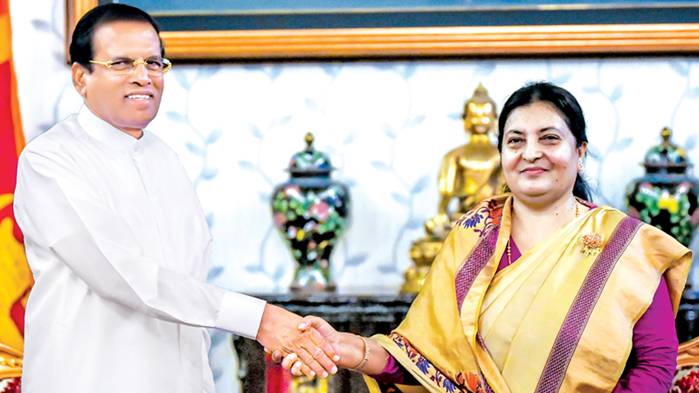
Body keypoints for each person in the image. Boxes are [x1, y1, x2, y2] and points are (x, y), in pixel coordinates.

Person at [278, 82, 692, 393]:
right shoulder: (472, 237)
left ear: (580, 153)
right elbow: (423, 361)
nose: (530, 152)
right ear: (502, 155)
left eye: (549, 138)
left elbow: (654, 367)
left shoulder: (625, 246)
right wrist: (349, 348)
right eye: (516, 141)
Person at [13, 4, 336, 392]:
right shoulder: (50, 160)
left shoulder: (163, 158)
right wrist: (260, 320)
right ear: (82, 77)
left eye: (153, 62)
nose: (142, 77)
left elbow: (187, 284)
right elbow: (123, 275)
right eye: (121, 63)